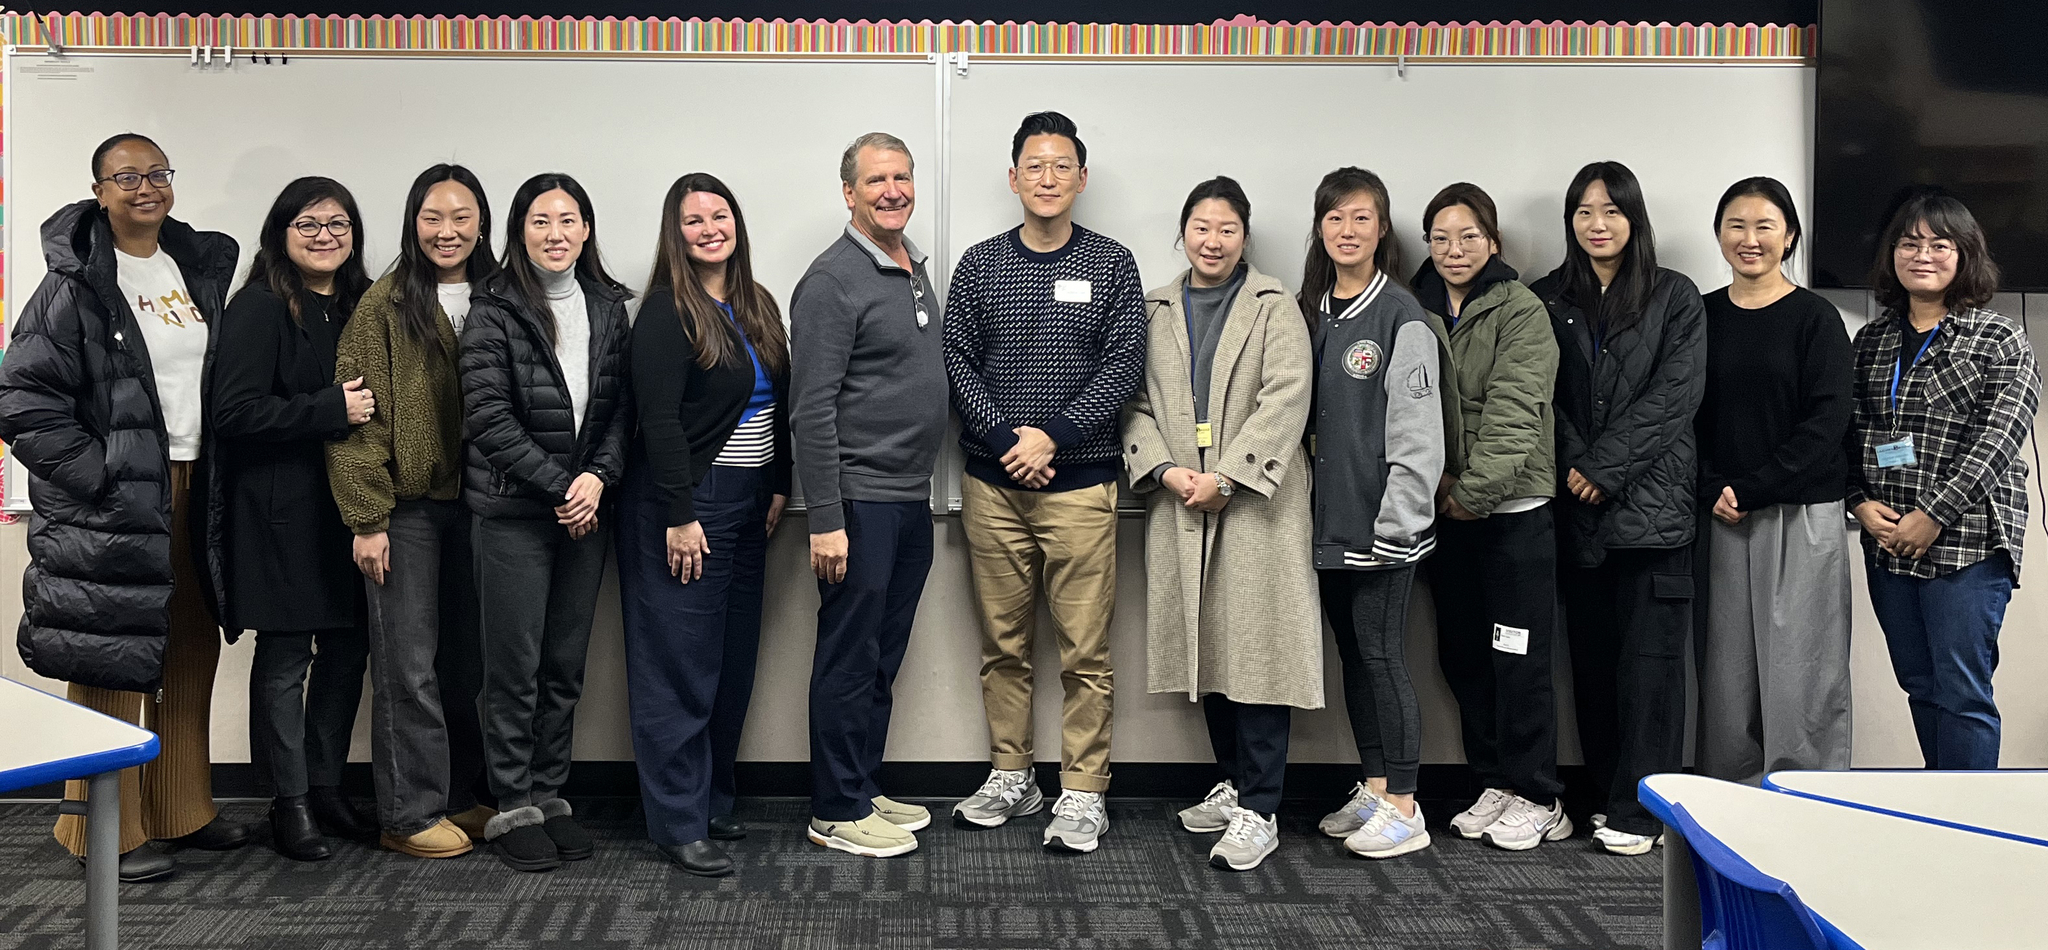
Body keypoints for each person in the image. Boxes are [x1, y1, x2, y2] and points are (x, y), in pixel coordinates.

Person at [0, 133, 246, 882]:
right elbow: (22, 400)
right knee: (112, 656)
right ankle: (104, 835)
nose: (146, 187)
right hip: (115, 496)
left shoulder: (189, 268)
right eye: (127, 176)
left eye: (158, 172)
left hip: (192, 486)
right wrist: (100, 474)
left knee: (190, 647)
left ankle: (181, 810)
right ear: (99, 190)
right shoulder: (73, 283)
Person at [943, 112, 1146, 852]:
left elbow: (1124, 364)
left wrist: (1049, 437)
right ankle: (1013, 775)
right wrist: (1005, 442)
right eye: (1036, 165)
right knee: (1004, 647)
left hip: (1081, 487)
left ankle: (1084, 791)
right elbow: (957, 361)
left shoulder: (1113, 263)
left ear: (1081, 178)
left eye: (1063, 166)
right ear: (1014, 177)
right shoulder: (980, 264)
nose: (1049, 178)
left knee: (1085, 653)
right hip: (993, 489)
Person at [1124, 177, 1319, 872]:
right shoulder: (1154, 307)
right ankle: (1235, 783)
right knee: (1206, 650)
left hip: (1257, 502)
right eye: (1201, 227)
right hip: (1181, 499)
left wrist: (1227, 477)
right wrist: (1169, 472)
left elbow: (1287, 398)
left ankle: (1261, 809)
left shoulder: (1274, 306)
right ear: (1184, 233)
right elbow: (1133, 400)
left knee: (1258, 653)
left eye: (1227, 229)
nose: (1213, 241)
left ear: (1245, 236)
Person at [618, 172, 791, 878]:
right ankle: (677, 822)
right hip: (685, 505)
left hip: (751, 506)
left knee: (731, 664)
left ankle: (714, 798)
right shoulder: (666, 311)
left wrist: (779, 485)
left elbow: (778, 404)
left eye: (720, 215)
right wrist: (681, 514)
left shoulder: (756, 303)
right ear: (675, 233)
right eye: (693, 220)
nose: (710, 228)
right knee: (677, 669)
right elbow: (657, 420)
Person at [1532, 161, 1705, 856]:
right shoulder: (1547, 297)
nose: (1597, 224)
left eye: (1611, 210)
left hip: (1655, 516)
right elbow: (1544, 397)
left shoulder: (1675, 296)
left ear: (1634, 219)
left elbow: (1676, 395)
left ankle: (1644, 809)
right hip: (1582, 514)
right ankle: (1606, 794)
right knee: (1594, 667)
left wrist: (1603, 467)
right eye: (1583, 211)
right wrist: (1580, 467)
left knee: (1654, 671)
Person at [461, 172, 632, 872]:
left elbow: (624, 408)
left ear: (586, 229)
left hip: (585, 513)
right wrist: (565, 485)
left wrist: (597, 480)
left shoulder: (610, 306)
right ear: (518, 232)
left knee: (564, 667)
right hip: (513, 515)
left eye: (567, 220)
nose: (555, 233)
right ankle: (510, 807)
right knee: (514, 669)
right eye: (539, 221)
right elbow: (487, 418)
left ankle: (548, 794)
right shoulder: (492, 308)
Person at [329, 164, 496, 859]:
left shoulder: (502, 296)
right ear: (412, 221)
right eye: (433, 216)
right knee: (407, 663)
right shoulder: (384, 305)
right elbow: (355, 418)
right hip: (407, 510)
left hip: (486, 507)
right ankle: (407, 811)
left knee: (469, 662)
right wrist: (367, 518)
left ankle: (462, 796)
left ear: (482, 222)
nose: (447, 230)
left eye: (461, 216)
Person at [790, 132, 948, 859]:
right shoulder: (830, 281)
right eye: (877, 180)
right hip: (857, 501)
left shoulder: (912, 265)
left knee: (881, 656)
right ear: (848, 193)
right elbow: (811, 409)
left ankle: (861, 783)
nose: (894, 190)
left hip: (909, 498)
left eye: (903, 177)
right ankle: (835, 809)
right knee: (849, 657)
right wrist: (826, 519)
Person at [210, 176, 375, 862]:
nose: (325, 236)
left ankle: (328, 788)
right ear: (282, 232)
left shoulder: (365, 306)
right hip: (279, 513)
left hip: (353, 511)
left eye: (338, 224)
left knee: (345, 653)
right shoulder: (260, 306)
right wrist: (328, 410)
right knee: (284, 660)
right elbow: (234, 412)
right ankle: (290, 802)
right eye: (308, 224)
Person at [1846, 191, 2039, 770]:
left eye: (1939, 243)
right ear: (1892, 255)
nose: (1922, 254)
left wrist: (1933, 515)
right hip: (1889, 543)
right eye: (1909, 242)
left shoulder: (1999, 338)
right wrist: (1858, 502)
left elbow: (1998, 440)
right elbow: (1850, 433)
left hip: (1970, 543)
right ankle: (1938, 808)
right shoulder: (1872, 341)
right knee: (1919, 683)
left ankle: (1974, 827)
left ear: (1965, 255)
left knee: (1963, 692)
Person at [1412, 182, 1571, 849]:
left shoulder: (1521, 308)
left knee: (1519, 656)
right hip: (1443, 512)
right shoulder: (1412, 307)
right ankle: (1495, 781)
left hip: (1511, 513)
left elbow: (1514, 411)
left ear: (1494, 242)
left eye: (1468, 236)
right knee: (1464, 655)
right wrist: (1441, 489)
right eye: (1441, 238)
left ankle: (1540, 794)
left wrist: (1472, 492)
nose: (1454, 250)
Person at [1300, 166, 1451, 860]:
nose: (1348, 231)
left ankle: (1406, 805)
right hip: (1329, 525)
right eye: (1336, 218)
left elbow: (1420, 436)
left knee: (1386, 656)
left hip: (1384, 527)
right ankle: (1375, 782)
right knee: (1355, 658)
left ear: (1382, 228)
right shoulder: (1315, 310)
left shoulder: (1401, 318)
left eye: (1362, 218)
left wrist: (1399, 524)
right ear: (1320, 227)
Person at [1695, 177, 1855, 783]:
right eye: (1736, 225)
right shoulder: (1701, 314)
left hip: (1800, 513)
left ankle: (1808, 794)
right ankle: (1731, 799)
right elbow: (1684, 412)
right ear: (1718, 234)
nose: (1750, 238)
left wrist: (1755, 486)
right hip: (1721, 514)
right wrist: (1712, 487)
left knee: (1801, 670)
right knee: (1727, 674)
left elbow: (1827, 422)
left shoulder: (1816, 317)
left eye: (1765, 225)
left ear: (1789, 235)